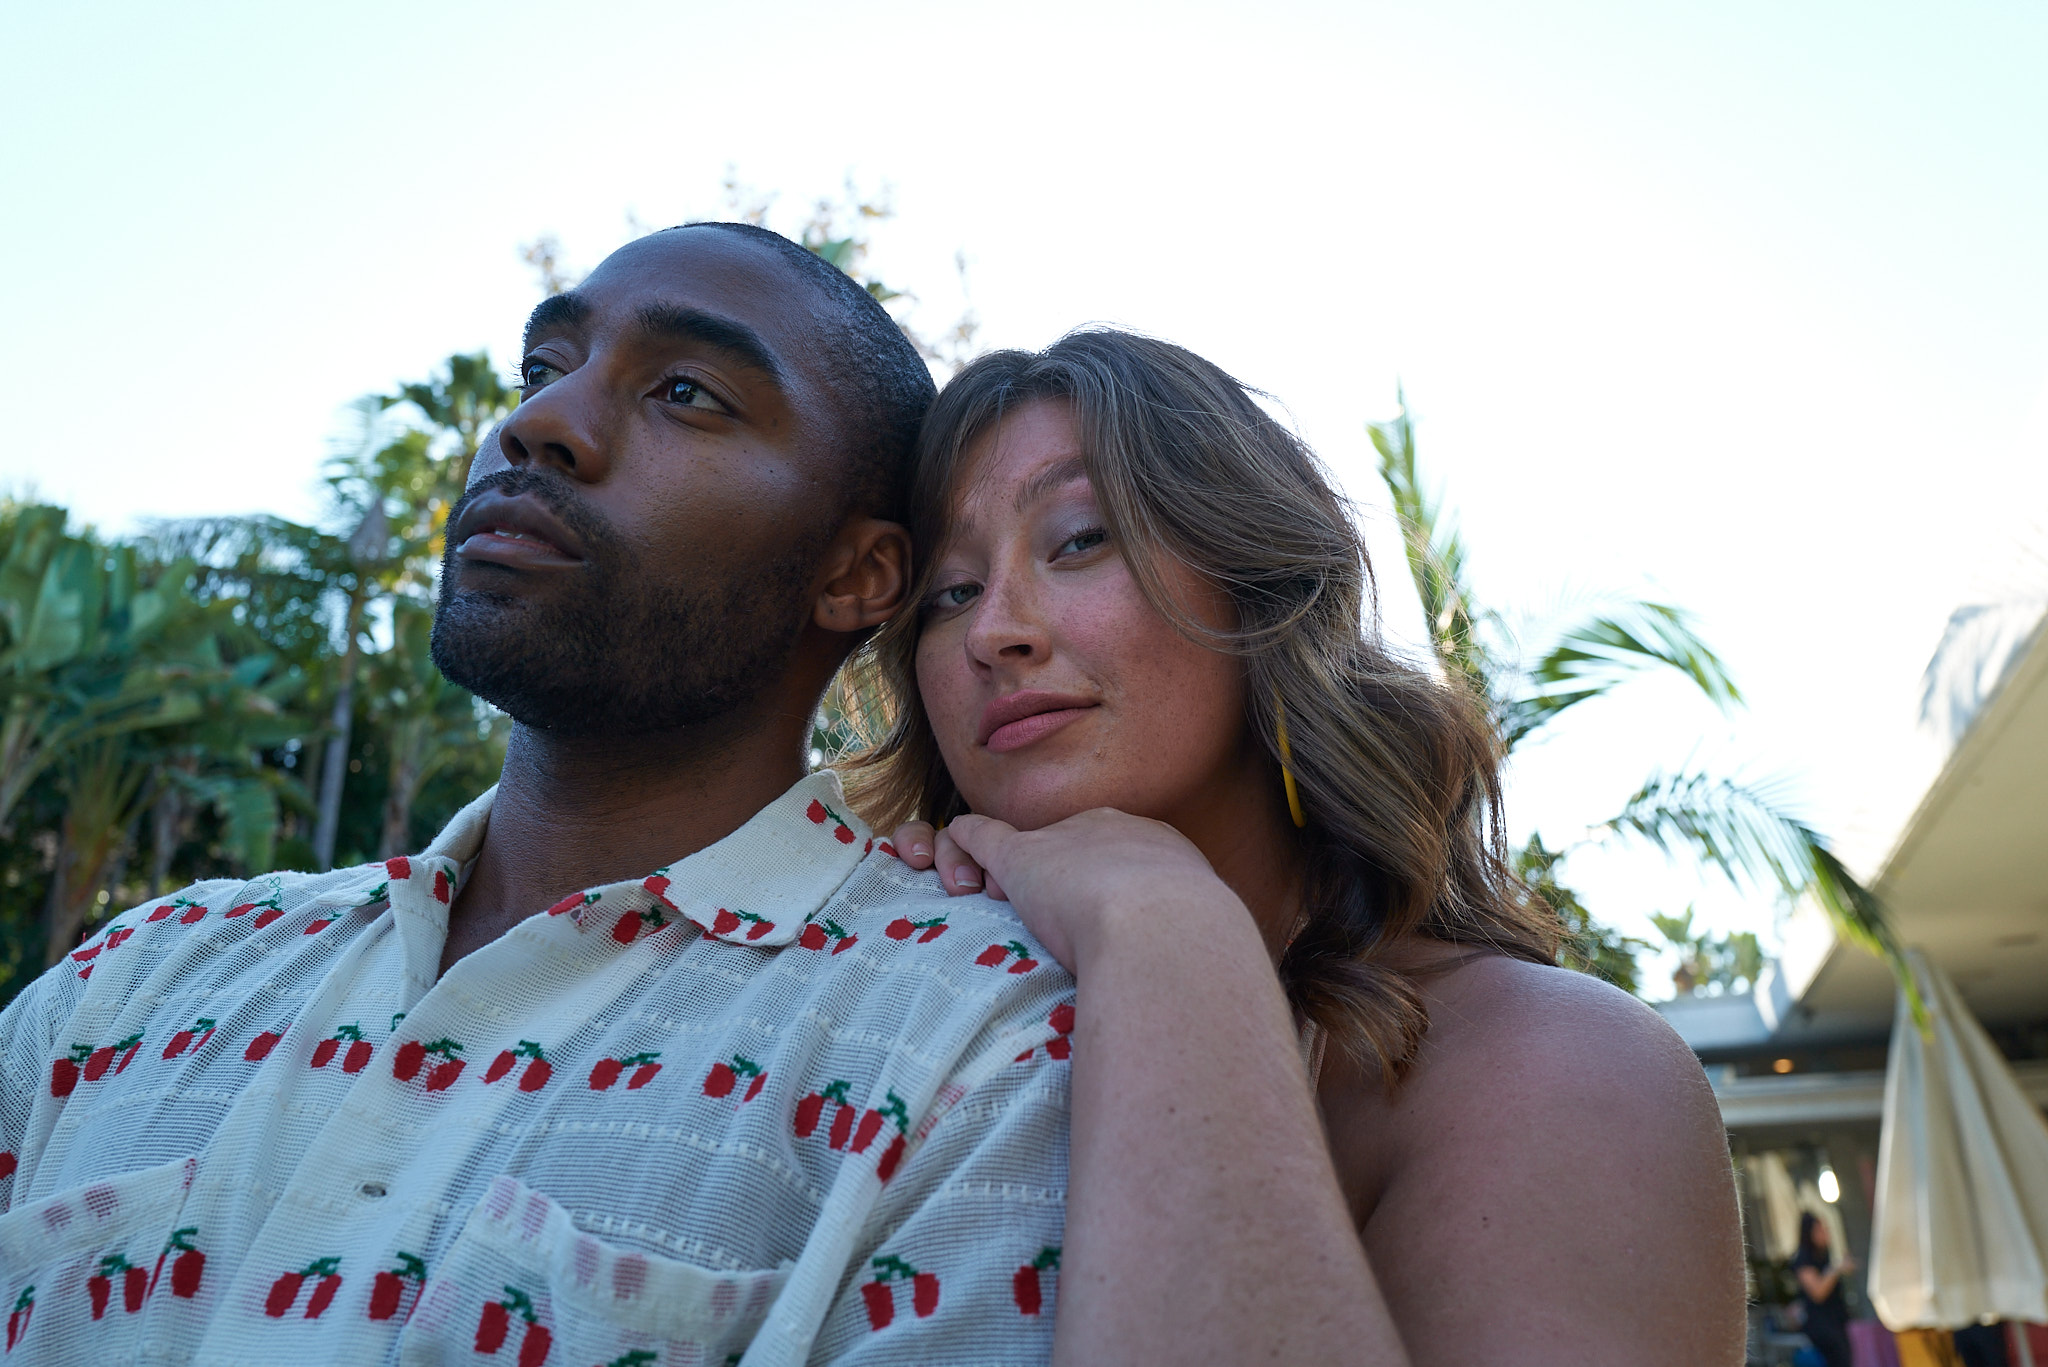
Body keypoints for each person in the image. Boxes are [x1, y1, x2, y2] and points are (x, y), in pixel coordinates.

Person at [0, 225, 1076, 1365]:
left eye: (683, 392)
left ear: (856, 574)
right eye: (542, 367)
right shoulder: (131, 982)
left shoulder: (975, 1050)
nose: (540, 422)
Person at [845, 328, 1750, 1364]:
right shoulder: (877, 1009)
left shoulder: (1557, 1067)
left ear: (1259, 584)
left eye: (1081, 538)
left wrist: (1166, 925)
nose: (991, 630)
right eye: (951, 592)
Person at [1792, 1211, 1855, 1367]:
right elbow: (1818, 1293)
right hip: (1822, 1327)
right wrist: (1836, 1269)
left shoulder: (1823, 1255)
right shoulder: (1804, 1258)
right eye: (1820, 1230)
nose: (1825, 1234)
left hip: (1836, 1321)